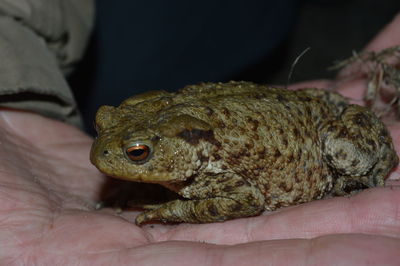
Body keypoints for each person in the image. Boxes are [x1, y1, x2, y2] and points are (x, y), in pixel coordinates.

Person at [0, 1, 399, 264]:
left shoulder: (214, 161)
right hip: (247, 108)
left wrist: (178, 209)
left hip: (312, 126)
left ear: (191, 152)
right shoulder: (186, 153)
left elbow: (247, 196)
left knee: (347, 150)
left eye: (138, 152)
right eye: (104, 126)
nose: (103, 155)